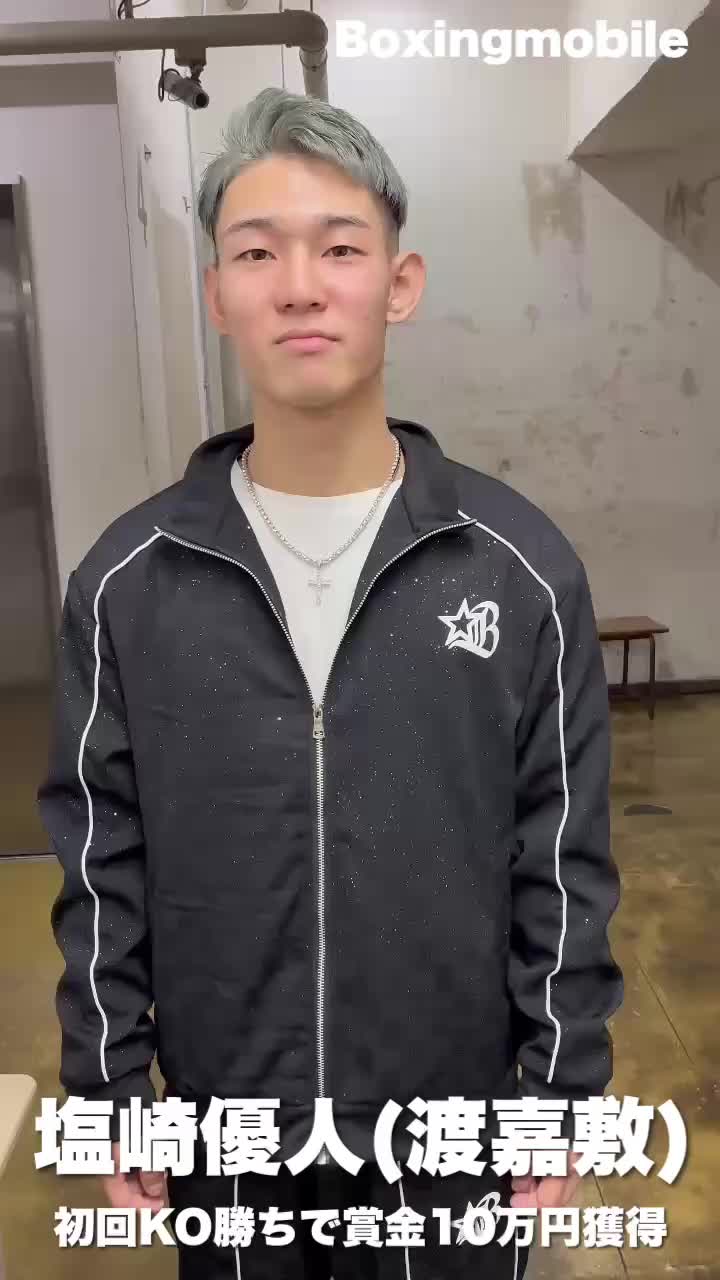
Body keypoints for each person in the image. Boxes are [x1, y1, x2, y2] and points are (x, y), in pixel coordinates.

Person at [38, 87, 623, 1278]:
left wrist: (563, 1084)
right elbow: (101, 856)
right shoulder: (130, 583)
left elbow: (562, 851)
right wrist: (109, 1083)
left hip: (447, 1133)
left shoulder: (515, 570)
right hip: (231, 1129)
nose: (300, 286)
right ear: (219, 294)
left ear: (399, 284)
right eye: (258, 252)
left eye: (340, 249)